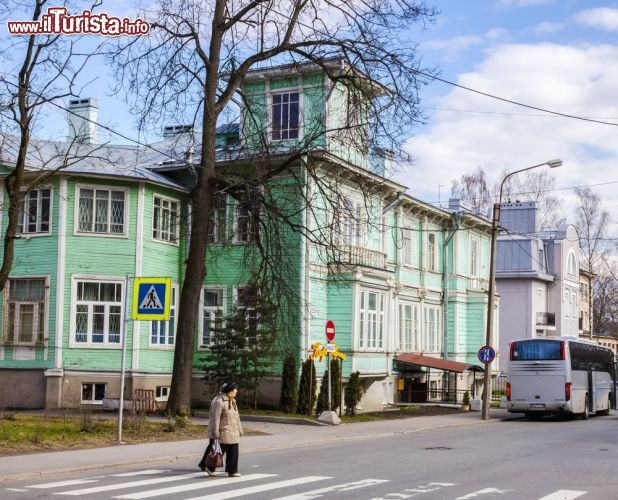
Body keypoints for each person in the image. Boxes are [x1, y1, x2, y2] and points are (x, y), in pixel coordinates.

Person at [198, 382, 244, 477]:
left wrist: (240, 429)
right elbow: (215, 418)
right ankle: (210, 467)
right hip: (223, 432)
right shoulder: (219, 402)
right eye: (235, 389)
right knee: (217, 452)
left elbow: (237, 417)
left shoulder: (233, 401)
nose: (236, 391)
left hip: (233, 431)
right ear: (230, 391)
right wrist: (215, 433)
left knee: (234, 452)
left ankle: (232, 471)